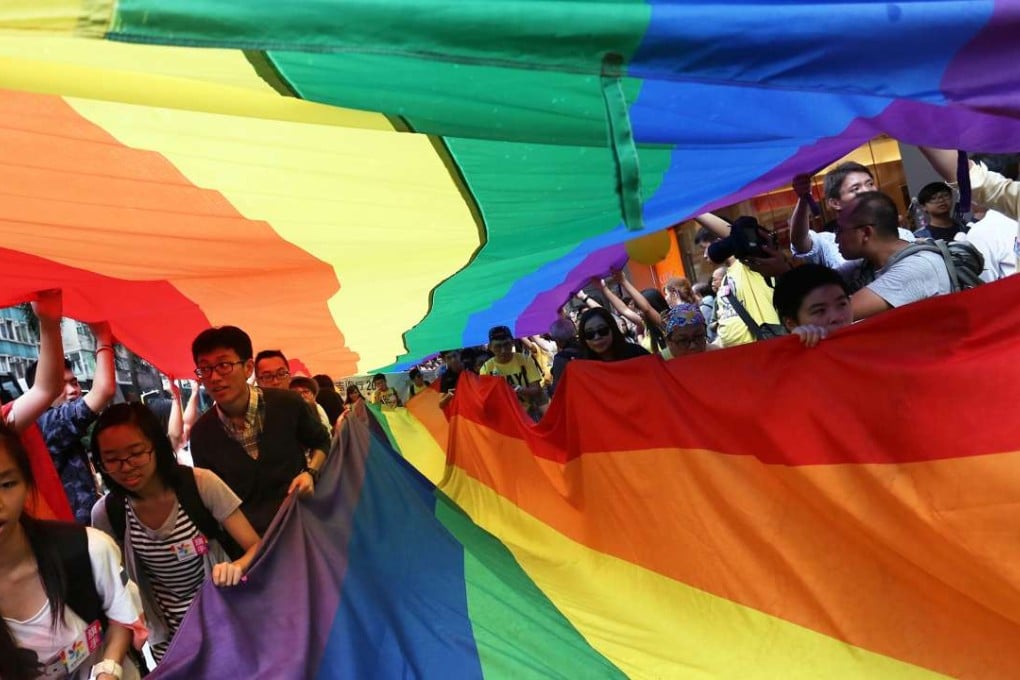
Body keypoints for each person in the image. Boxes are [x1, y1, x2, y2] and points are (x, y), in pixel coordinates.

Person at [90, 404, 260, 665]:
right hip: (169, 640)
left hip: (226, 620)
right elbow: (115, 586)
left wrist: (236, 566)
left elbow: (256, 546)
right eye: (112, 459)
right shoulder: (107, 513)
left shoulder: (201, 484)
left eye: (136, 453)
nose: (126, 466)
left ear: (156, 446)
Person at [0, 422, 144, 680]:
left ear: (27, 483)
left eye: (7, 484)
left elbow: (122, 615)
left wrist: (108, 670)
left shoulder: (88, 549)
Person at [188, 326, 330, 535]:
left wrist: (310, 473)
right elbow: (214, 500)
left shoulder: (288, 404)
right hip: (250, 542)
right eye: (205, 369)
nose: (214, 377)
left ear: (248, 368)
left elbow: (322, 441)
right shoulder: (201, 435)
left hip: (303, 526)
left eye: (224, 365)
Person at [25, 318, 117, 524]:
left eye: (74, 382)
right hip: (70, 536)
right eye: (60, 385)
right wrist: (103, 338)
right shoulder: (45, 424)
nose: (73, 390)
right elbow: (104, 390)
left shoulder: (65, 429)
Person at [833, 192, 952, 319]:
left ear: (865, 233)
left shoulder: (917, 267)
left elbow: (836, 315)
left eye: (840, 230)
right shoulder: (868, 264)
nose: (836, 239)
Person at [773, 264, 854, 347]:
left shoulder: (862, 339)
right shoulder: (792, 354)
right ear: (792, 324)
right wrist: (796, 344)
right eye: (820, 310)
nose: (836, 317)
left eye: (842, 304)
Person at [479, 326, 546, 421]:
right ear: (490, 347)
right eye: (498, 346)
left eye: (506, 345)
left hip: (528, 413)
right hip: (503, 416)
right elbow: (485, 398)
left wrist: (520, 390)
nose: (503, 350)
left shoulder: (525, 360)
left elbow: (536, 389)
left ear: (512, 343)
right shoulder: (486, 369)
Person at [577, 308, 650, 362]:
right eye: (590, 334)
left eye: (602, 330)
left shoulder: (636, 354)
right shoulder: (582, 367)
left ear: (612, 329)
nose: (597, 337)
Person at [548, 318, 582, 396]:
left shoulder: (560, 358)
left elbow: (557, 387)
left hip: (573, 396)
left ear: (558, 340)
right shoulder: (586, 348)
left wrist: (549, 389)